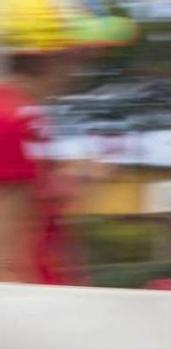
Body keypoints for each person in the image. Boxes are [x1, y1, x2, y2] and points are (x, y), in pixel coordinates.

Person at [0, 0, 136, 284]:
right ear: (49, 56)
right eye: (79, 53)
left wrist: (65, 176)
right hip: (32, 309)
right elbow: (6, 255)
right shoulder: (13, 120)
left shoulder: (25, 116)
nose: (84, 64)